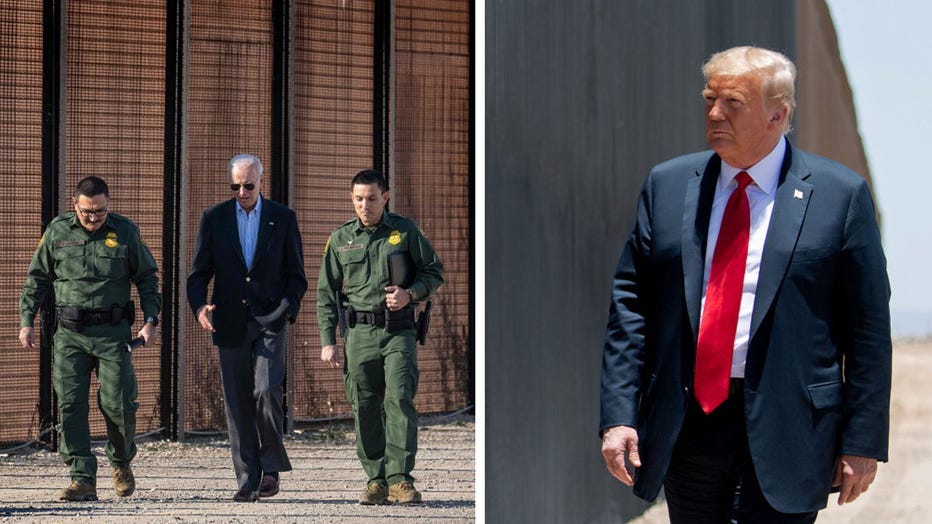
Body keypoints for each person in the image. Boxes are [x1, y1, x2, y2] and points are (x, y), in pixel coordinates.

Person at [599, 46, 891, 523]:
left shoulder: (839, 196)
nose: (714, 113)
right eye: (709, 99)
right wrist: (618, 415)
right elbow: (630, 308)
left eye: (732, 103)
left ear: (778, 114)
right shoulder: (667, 186)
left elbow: (868, 329)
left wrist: (862, 440)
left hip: (791, 424)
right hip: (689, 423)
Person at [19, 176, 161, 501]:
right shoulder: (57, 232)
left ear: (108, 205)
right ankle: (82, 477)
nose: (93, 218)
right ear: (75, 205)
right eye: (87, 212)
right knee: (71, 405)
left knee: (119, 403)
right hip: (70, 335)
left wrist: (151, 319)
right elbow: (37, 278)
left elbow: (147, 278)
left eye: (99, 211)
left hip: (113, 334)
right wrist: (27, 321)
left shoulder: (125, 231)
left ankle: (122, 461)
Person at [317, 169, 443, 505]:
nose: (365, 205)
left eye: (372, 198)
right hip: (358, 334)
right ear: (351, 199)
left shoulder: (404, 231)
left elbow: (434, 271)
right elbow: (326, 294)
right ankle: (376, 479)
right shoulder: (341, 239)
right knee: (365, 405)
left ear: (385, 198)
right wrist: (328, 340)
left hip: (398, 329)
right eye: (358, 198)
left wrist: (410, 293)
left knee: (399, 397)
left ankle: (400, 478)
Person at [187, 153, 307, 502]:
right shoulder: (214, 218)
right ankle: (247, 478)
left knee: (267, 391)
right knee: (238, 402)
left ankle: (270, 468)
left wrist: (287, 311)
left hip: (270, 319)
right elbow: (198, 275)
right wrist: (199, 308)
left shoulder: (283, 218)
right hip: (229, 321)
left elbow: (296, 276)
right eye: (235, 186)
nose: (242, 191)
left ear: (261, 182)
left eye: (248, 185)